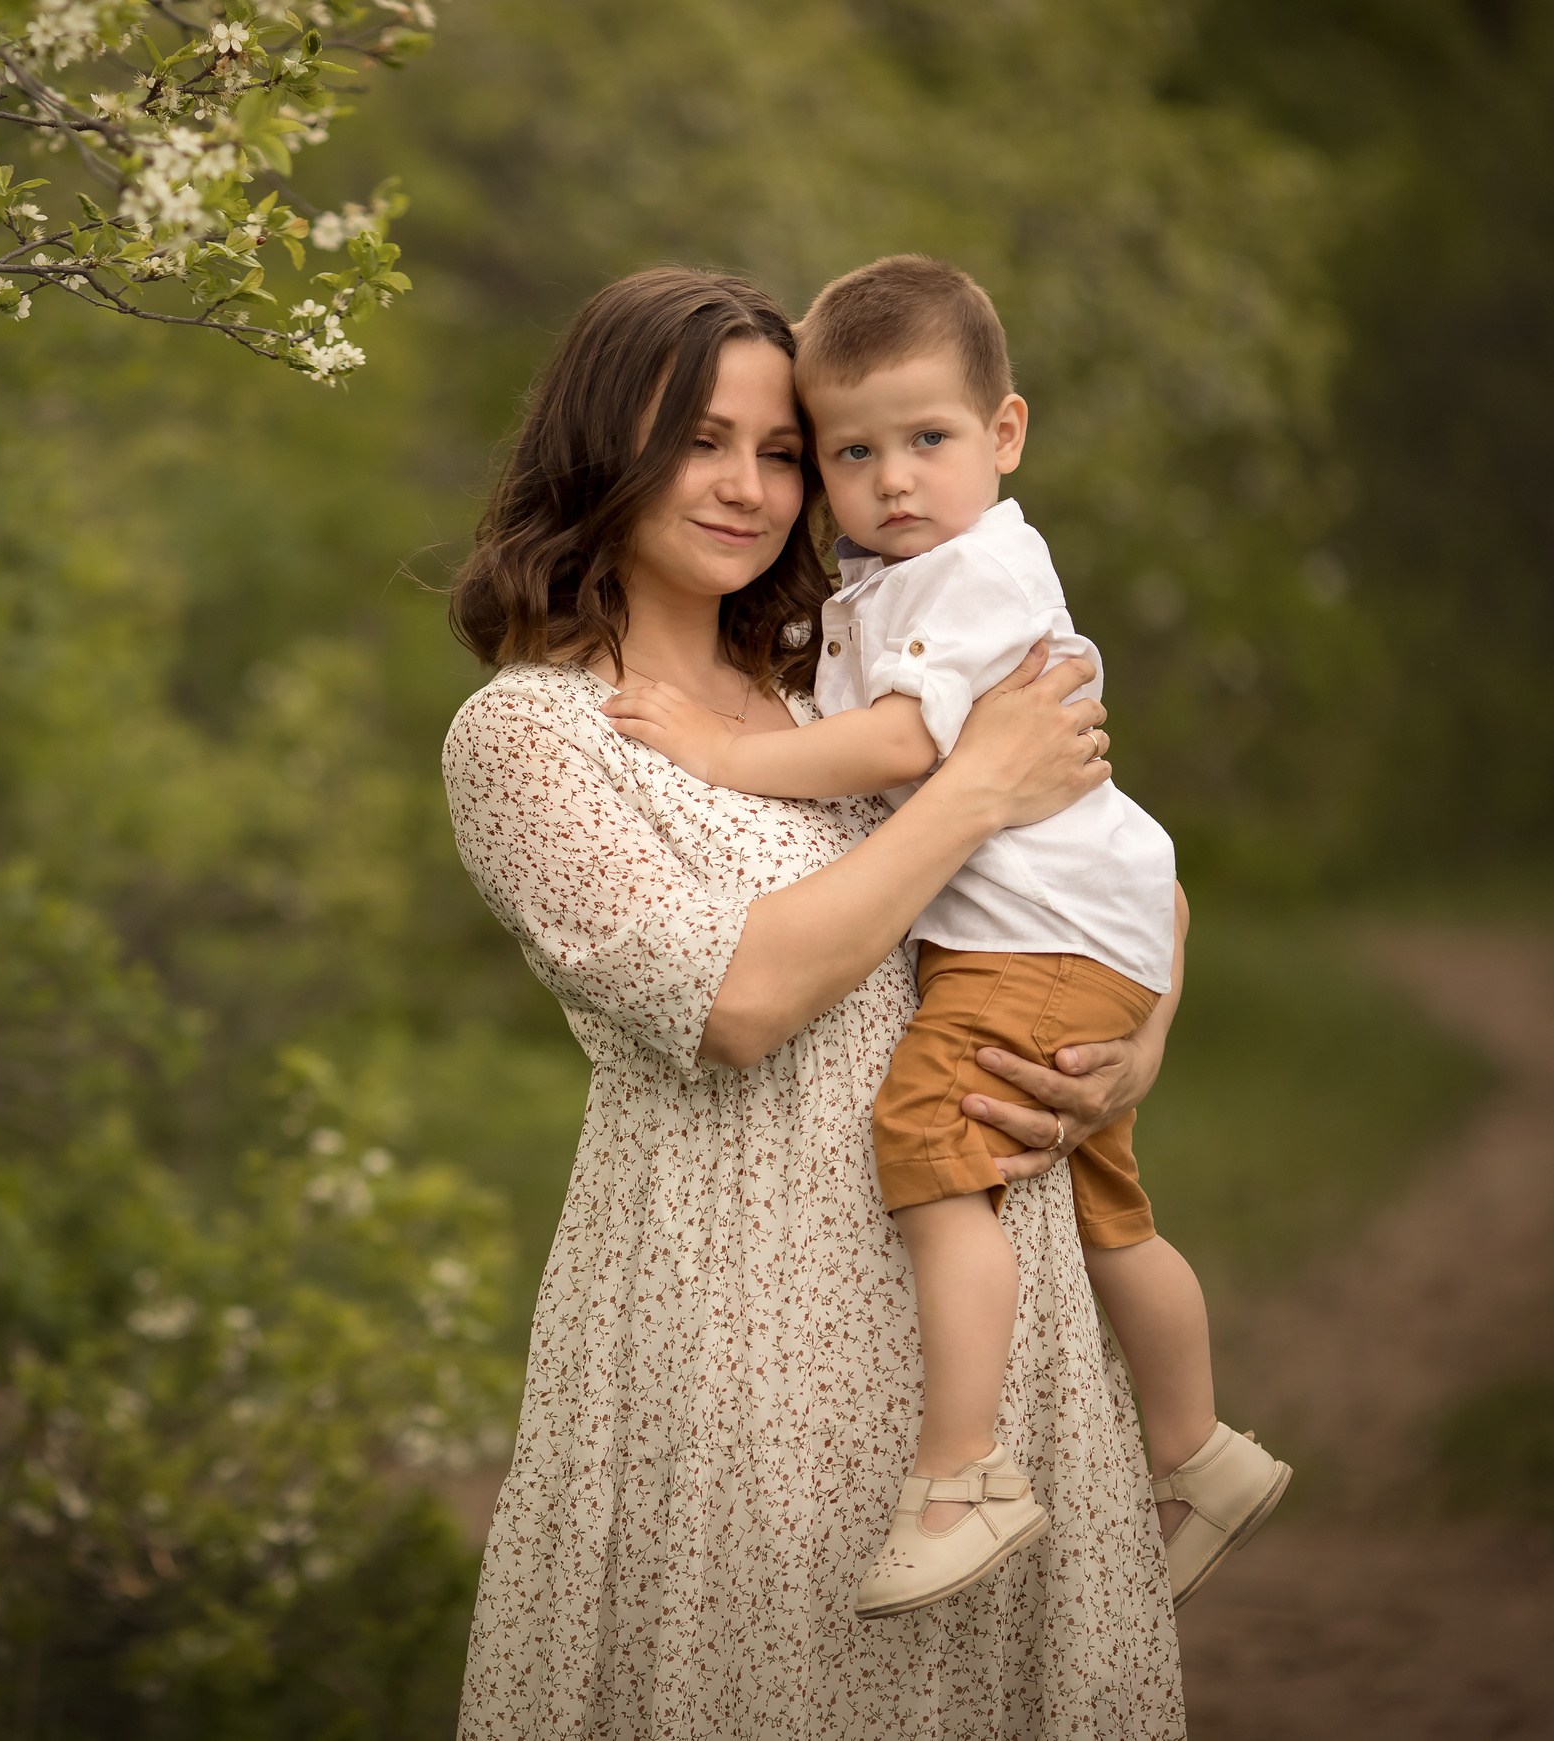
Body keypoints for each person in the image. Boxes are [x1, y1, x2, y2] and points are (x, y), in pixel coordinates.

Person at [443, 266, 1182, 1736]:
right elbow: (739, 997)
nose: (749, 487)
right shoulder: (532, 736)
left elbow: (1122, 866)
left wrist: (1130, 1055)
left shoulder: (832, 682)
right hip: (735, 1343)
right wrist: (972, 786)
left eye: (783, 451)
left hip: (973, 1326)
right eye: (698, 441)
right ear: (604, 452)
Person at [599, 255, 1288, 1621]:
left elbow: (918, 745)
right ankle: (1201, 1447)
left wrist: (724, 750)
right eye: (849, 451)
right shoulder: (863, 601)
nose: (890, 479)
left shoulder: (965, 577)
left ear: (1006, 434)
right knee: (1106, 1207)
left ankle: (962, 1475)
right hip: (1063, 933)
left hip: (1026, 951)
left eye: (925, 441)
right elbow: (738, 998)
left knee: (929, 1131)